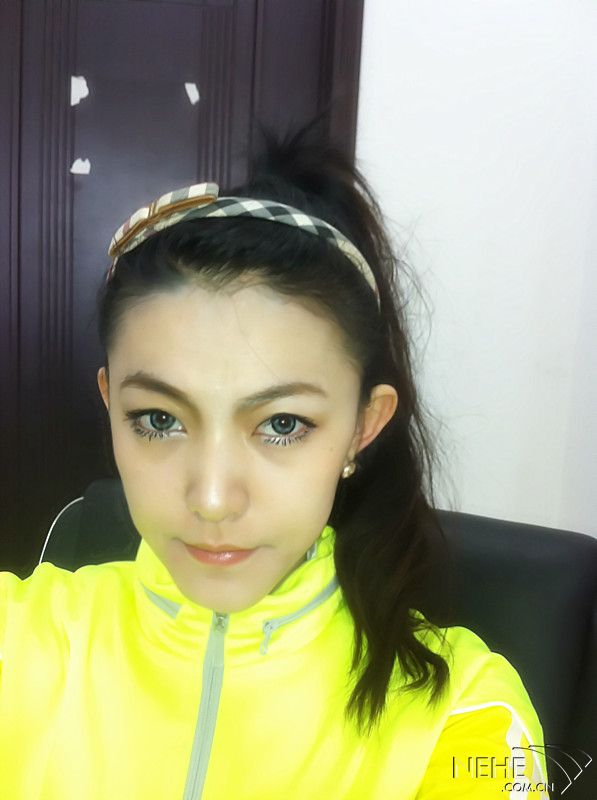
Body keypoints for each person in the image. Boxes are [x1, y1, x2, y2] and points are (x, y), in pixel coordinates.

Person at [0, 121, 550, 799]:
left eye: (282, 424)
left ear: (362, 427)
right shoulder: (17, 642)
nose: (211, 499)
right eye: (160, 420)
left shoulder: (466, 714)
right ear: (112, 405)